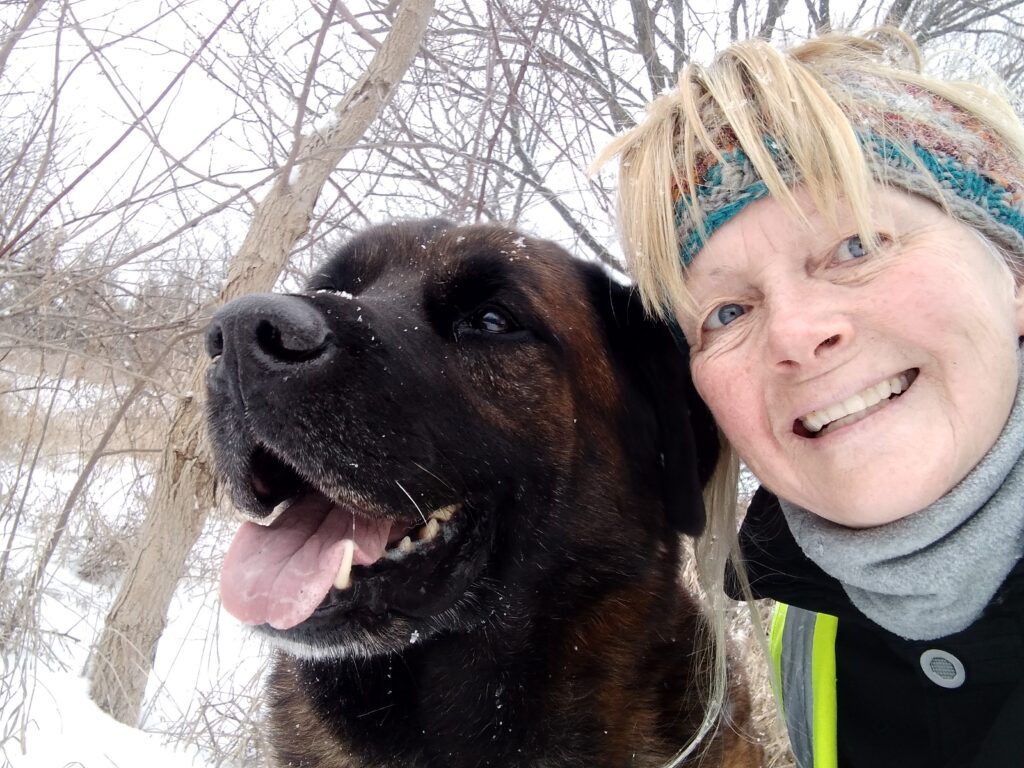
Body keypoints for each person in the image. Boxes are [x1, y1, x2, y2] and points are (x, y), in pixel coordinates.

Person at [595, 28, 1024, 768]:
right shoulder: (796, 632)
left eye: (857, 244)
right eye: (726, 314)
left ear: (1013, 275)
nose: (795, 334)